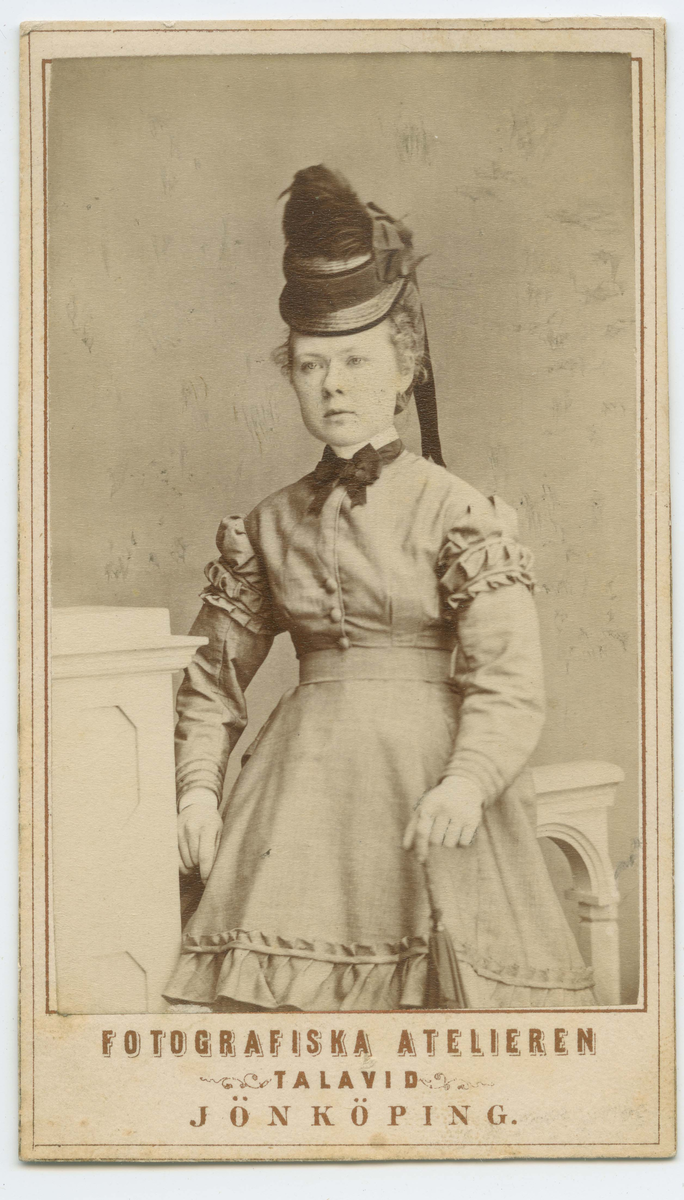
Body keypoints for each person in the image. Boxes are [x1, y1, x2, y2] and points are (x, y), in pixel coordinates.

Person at [164, 165, 595, 1011]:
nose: (332, 385)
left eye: (355, 361)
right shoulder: (268, 523)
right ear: (291, 376)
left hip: (431, 793)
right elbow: (209, 683)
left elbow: (509, 679)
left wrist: (468, 780)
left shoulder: (458, 511)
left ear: (403, 371)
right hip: (294, 807)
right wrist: (199, 790)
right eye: (310, 366)